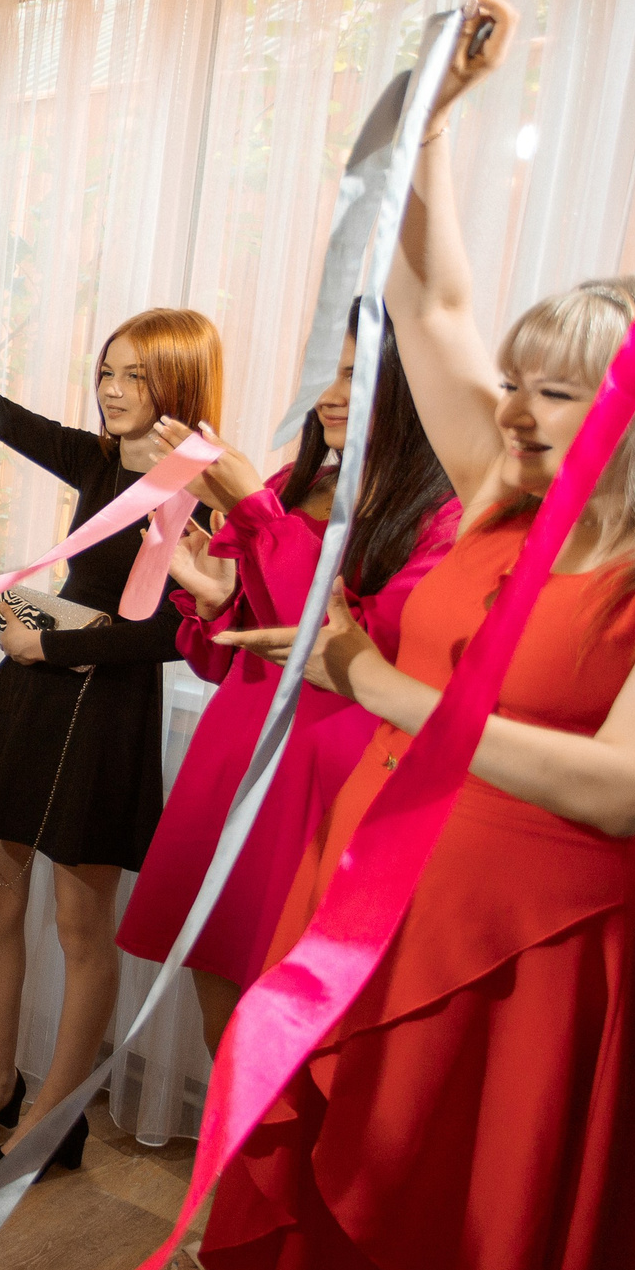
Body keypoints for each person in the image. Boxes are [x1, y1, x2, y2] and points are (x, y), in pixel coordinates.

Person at [151, 0, 635, 1270]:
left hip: (533, 940)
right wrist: (431, 121)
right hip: (386, 887)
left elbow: (634, 785)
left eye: (557, 390)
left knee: (486, 1232)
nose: (513, 406)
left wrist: (390, 694)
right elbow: (435, 307)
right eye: (517, 378)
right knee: (398, 1172)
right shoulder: (507, 487)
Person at [0, 197, 221, 1176]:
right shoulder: (96, 458)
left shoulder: (198, 484)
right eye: (107, 370)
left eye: (137, 374)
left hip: (95, 705)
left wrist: (49, 638)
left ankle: (58, 1115)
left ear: (178, 383)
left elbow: (184, 632)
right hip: (37, 686)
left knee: (79, 922)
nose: (113, 388)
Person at [118, 310, 458, 1054]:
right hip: (238, 752)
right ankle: (228, 1166)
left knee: (291, 1016)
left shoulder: (444, 516)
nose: (329, 394)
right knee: (221, 987)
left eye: (351, 372)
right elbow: (229, 656)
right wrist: (215, 599)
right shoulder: (296, 483)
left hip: (329, 775)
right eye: (323, 374)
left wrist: (255, 511)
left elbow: (355, 654)